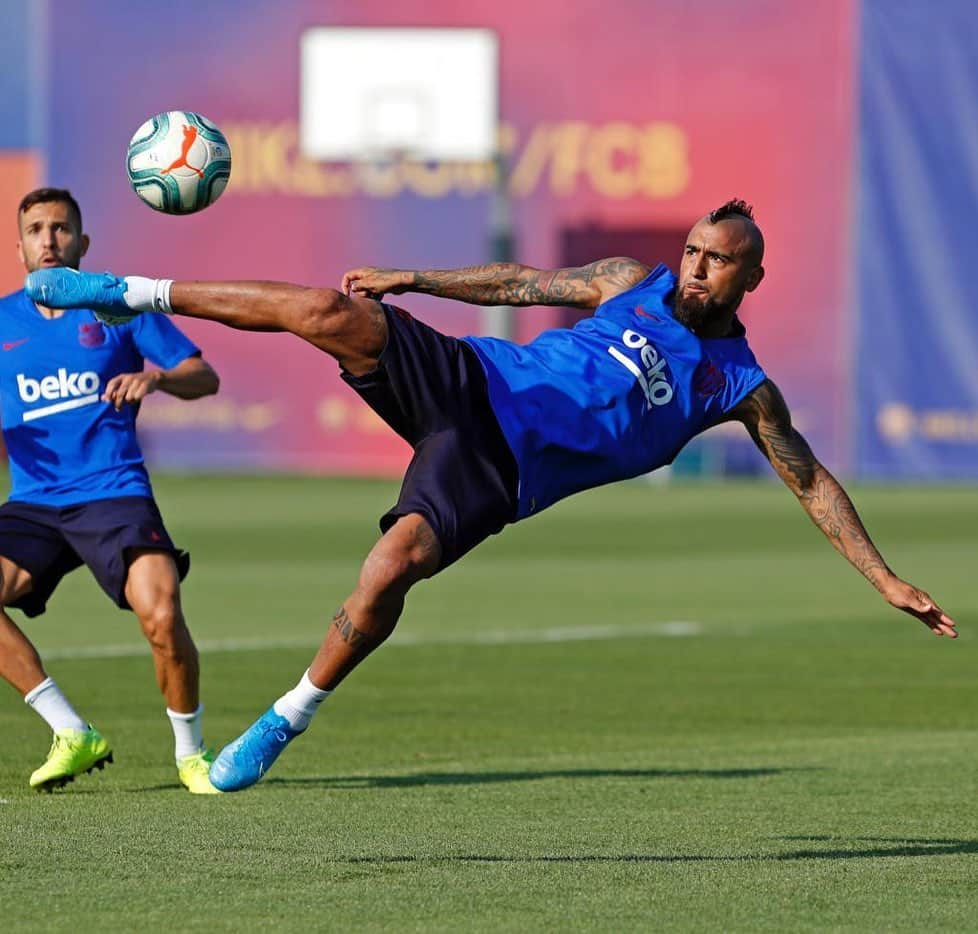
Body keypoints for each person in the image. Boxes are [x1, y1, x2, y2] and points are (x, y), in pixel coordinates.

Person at [25, 199, 958, 793]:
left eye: (716, 260)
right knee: (329, 313)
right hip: (472, 378)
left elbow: (810, 478)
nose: (696, 267)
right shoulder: (633, 283)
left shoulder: (740, 385)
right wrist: (414, 279)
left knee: (387, 573)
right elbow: (521, 281)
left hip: (498, 471)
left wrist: (883, 579)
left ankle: (288, 715)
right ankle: (129, 289)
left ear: (752, 274)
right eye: (693, 249)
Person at [3, 188, 222, 793]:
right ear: (20, 247)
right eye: (37, 230)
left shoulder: (116, 306)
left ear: (83, 242)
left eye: (62, 228)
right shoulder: (1, 324)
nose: (49, 240)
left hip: (113, 492)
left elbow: (203, 376)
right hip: (35, 502)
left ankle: (190, 756)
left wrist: (156, 378)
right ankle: (71, 731)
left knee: (162, 612)